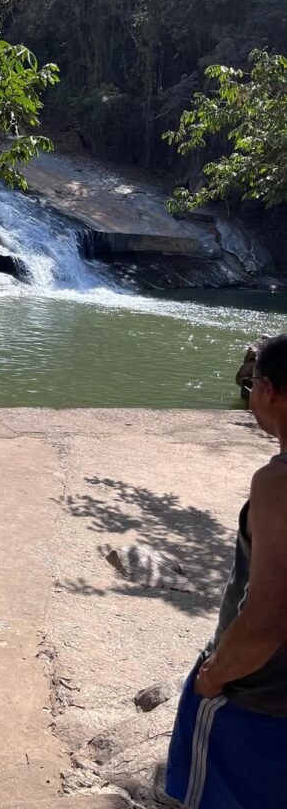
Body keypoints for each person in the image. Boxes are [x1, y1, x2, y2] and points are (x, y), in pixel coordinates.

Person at [166, 334, 287, 809]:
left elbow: (270, 617)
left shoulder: (278, 484)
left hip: (259, 696)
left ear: (268, 392)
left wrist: (214, 677)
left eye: (251, 381)